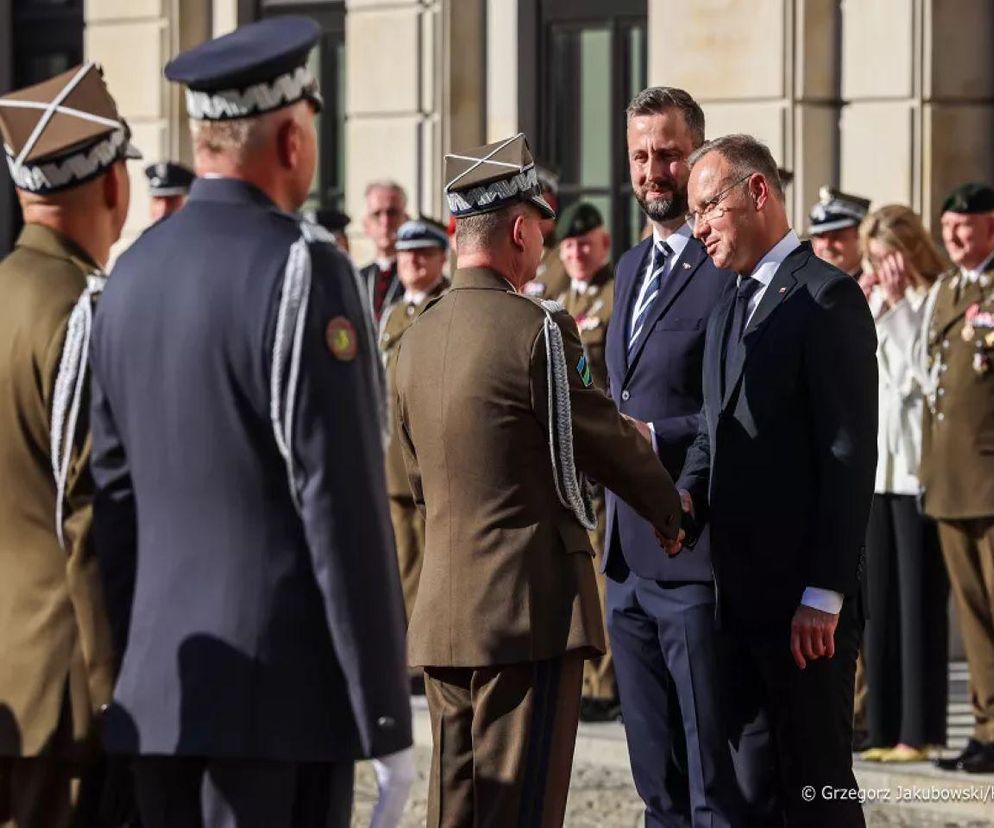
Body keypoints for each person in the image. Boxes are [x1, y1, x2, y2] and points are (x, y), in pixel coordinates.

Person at [89, 17, 414, 828]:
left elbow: (112, 503)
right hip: (281, 711)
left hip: (165, 696)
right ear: (293, 139)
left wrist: (136, 675)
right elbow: (338, 505)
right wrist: (384, 714)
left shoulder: (128, 275)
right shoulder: (306, 269)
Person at [394, 132, 685, 827]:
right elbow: (602, 438)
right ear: (519, 229)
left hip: (443, 614)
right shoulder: (537, 330)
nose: (543, 250)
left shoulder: (413, 336)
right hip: (527, 611)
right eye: (540, 233)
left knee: (455, 809)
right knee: (520, 809)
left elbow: (410, 478)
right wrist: (670, 511)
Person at [679, 133, 877, 827]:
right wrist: (683, 502)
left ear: (756, 192)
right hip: (738, 596)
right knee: (754, 788)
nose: (698, 226)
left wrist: (825, 593)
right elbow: (712, 428)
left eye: (708, 207)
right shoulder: (730, 303)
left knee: (817, 789)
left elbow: (848, 454)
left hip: (804, 612)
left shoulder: (828, 299)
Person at [0, 62, 139, 828]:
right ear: (113, 186)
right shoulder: (83, 314)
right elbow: (93, 520)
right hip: (65, 690)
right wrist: (117, 688)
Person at [602, 86, 741, 827]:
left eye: (668, 154)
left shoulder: (724, 265)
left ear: (698, 158)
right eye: (641, 156)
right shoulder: (628, 269)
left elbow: (733, 404)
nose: (654, 171)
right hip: (624, 560)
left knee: (709, 783)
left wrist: (659, 438)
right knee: (653, 780)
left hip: (691, 554)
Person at [857, 205, 949, 764]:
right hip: (878, 470)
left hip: (916, 469)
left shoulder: (934, 300)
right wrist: (876, 304)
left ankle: (919, 728)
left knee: (918, 605)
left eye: (883, 258)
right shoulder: (873, 302)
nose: (879, 270)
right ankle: (883, 727)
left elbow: (924, 375)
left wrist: (898, 308)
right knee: (881, 604)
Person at [921, 182, 994, 774]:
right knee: (973, 615)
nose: (953, 237)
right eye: (947, 228)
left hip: (990, 477)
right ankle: (985, 726)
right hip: (951, 479)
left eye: (964, 228)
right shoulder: (949, 290)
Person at [553, 201, 619, 721]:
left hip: (604, 453)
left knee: (602, 568)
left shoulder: (614, 293)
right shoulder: (557, 296)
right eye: (569, 246)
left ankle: (605, 681)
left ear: (604, 243)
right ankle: (586, 674)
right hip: (566, 457)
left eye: (585, 244)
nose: (576, 253)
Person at [379, 217, 450, 626]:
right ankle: (410, 648)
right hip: (393, 458)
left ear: (443, 256)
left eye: (423, 253)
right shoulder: (393, 314)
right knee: (403, 558)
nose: (413, 262)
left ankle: (431, 645)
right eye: (406, 255)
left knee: (436, 560)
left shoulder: (449, 303)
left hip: (432, 454)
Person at [359, 180, 408, 320]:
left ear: (406, 219)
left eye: (392, 213)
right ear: (366, 225)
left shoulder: (418, 274)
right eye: (376, 214)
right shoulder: (357, 278)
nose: (385, 222)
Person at [522, 163, 569, 299]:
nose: (526, 212)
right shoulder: (517, 250)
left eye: (535, 204)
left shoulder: (567, 254)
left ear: (552, 205)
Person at [809, 186, 871, 278]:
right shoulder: (804, 285)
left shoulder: (879, 289)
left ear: (861, 238)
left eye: (836, 236)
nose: (827, 245)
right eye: (820, 236)